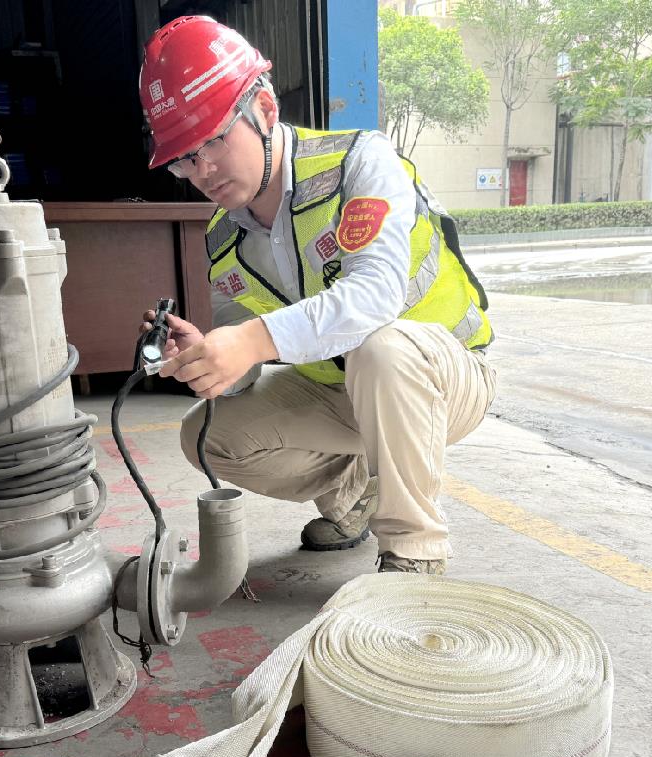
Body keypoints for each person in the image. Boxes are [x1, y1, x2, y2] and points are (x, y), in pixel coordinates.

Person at [137, 16, 496, 574]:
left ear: (264, 110)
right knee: (205, 435)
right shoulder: (224, 237)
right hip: (342, 391)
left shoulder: (360, 162)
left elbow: (375, 296)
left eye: (213, 140)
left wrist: (252, 339)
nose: (201, 170)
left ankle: (414, 552)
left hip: (442, 378)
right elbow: (246, 369)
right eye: (183, 156)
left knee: (383, 348)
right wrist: (210, 358)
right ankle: (355, 498)